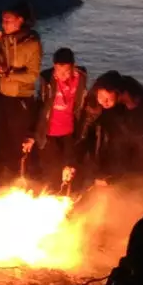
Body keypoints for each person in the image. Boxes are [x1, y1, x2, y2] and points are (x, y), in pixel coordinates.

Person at [0, 3, 42, 181]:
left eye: (8, 20)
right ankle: (5, 178)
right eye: (3, 20)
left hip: (20, 99)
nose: (4, 23)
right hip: (2, 96)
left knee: (18, 143)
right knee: (2, 141)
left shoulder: (32, 43)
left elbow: (32, 75)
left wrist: (7, 73)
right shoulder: (4, 39)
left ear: (20, 20)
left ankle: (23, 179)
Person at [80, 71, 143, 182]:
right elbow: (86, 126)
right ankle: (100, 173)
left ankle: (119, 177)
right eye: (101, 97)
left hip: (127, 130)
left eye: (108, 99)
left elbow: (140, 130)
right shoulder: (95, 96)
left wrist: (132, 107)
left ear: (119, 95)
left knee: (122, 146)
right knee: (97, 142)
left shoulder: (138, 96)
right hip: (105, 126)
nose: (104, 101)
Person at [33, 47, 88, 186]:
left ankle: (69, 195)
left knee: (70, 167)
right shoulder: (47, 79)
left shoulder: (81, 78)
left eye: (66, 71)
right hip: (49, 132)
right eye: (59, 71)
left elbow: (81, 103)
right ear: (54, 67)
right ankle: (52, 194)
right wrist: (33, 133)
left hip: (69, 131)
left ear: (73, 67)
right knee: (51, 169)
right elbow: (40, 105)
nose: (62, 75)